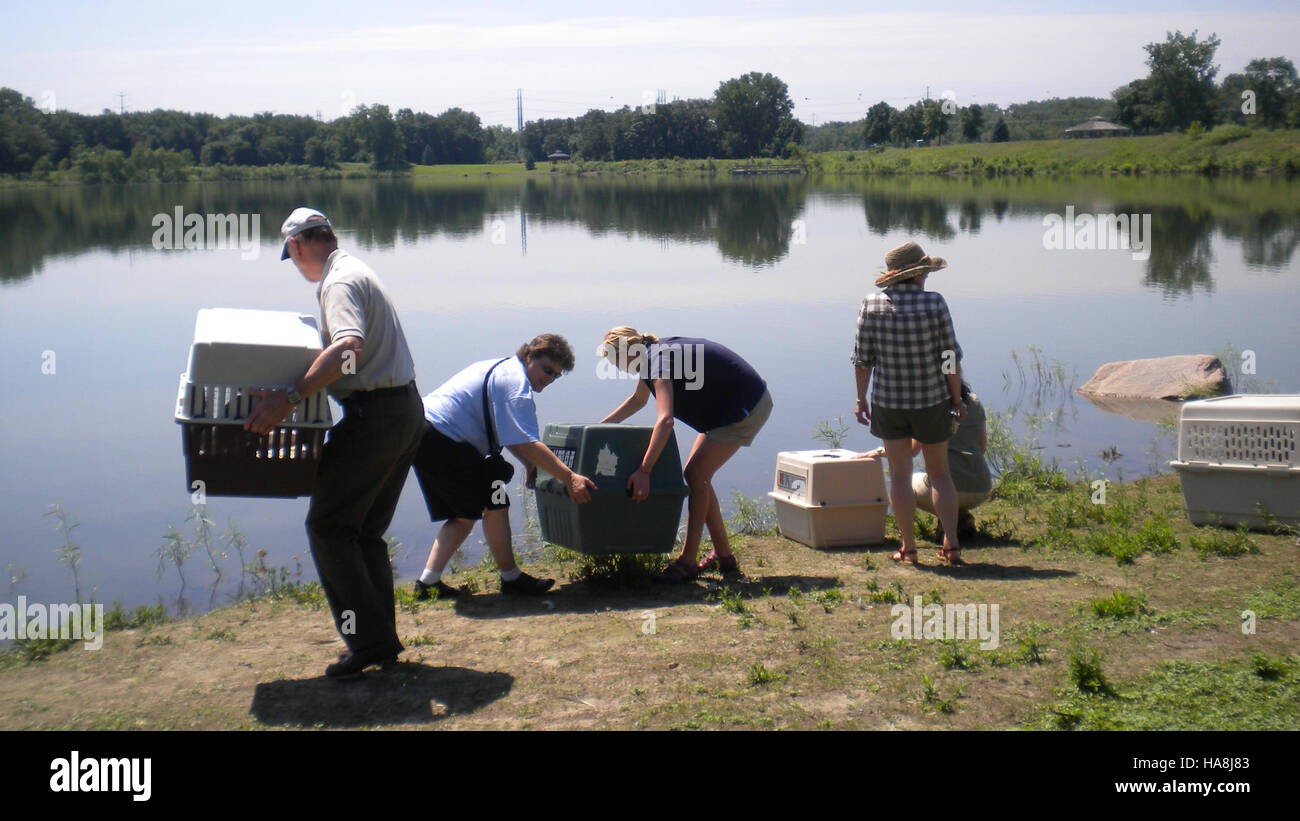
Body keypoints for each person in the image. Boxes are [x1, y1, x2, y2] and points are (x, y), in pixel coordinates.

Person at [246, 207, 424, 678]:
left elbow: (349, 349)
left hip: (376, 417)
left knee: (328, 527)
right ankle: (380, 641)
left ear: (298, 245)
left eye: (291, 256)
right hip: (404, 410)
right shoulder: (356, 269)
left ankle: (367, 642)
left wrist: (289, 398)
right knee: (362, 532)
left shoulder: (338, 282)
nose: (296, 265)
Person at [412, 334, 597, 598]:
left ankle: (428, 583)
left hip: (425, 433)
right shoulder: (516, 385)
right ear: (529, 356)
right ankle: (510, 579)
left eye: (556, 375)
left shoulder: (503, 367)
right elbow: (528, 442)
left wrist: (527, 464)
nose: (549, 378)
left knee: (473, 510)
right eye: (547, 369)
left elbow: (509, 433)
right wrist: (570, 478)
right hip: (444, 439)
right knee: (490, 505)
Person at [599, 327, 772, 582]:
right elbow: (638, 400)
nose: (618, 368)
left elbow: (665, 420)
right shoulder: (651, 356)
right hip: (726, 409)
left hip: (746, 406)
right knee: (698, 475)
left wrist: (644, 470)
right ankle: (724, 557)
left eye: (615, 361)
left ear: (626, 353)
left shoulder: (655, 362)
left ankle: (687, 562)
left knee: (696, 474)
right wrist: (600, 429)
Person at [852, 240, 967, 565]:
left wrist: (861, 399)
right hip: (932, 401)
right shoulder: (935, 304)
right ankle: (952, 545)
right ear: (917, 275)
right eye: (925, 273)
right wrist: (956, 398)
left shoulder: (871, 305)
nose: (927, 279)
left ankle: (909, 548)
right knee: (940, 474)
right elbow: (949, 357)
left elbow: (863, 360)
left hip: (889, 402)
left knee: (900, 475)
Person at [860, 381, 990, 542]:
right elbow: (982, 446)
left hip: (951, 487)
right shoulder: (974, 401)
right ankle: (960, 519)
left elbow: (911, 451)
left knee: (902, 484)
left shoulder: (930, 406)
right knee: (939, 481)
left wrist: (879, 452)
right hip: (982, 487)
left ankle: (915, 539)